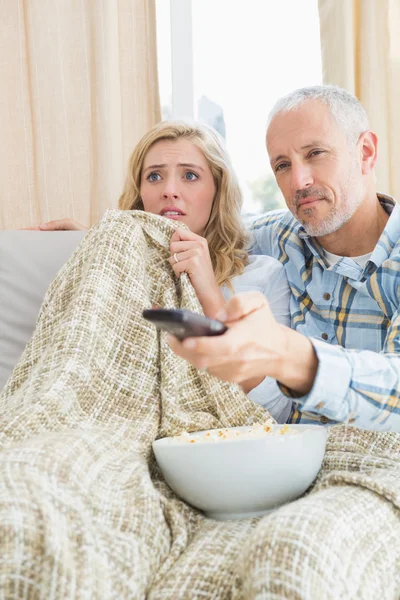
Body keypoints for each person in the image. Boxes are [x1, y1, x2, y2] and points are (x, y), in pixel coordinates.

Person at [26, 120, 292, 422]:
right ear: (140, 193)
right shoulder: (115, 267)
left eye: (190, 175)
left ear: (218, 190)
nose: (169, 191)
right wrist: (100, 246)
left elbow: (275, 410)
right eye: (154, 176)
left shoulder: (263, 276)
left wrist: (207, 292)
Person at [168, 85, 400, 432]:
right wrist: (108, 235)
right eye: (282, 165)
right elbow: (209, 233)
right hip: (277, 463)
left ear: (365, 152)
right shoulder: (275, 236)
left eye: (316, 153)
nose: (299, 181)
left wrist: (291, 356)